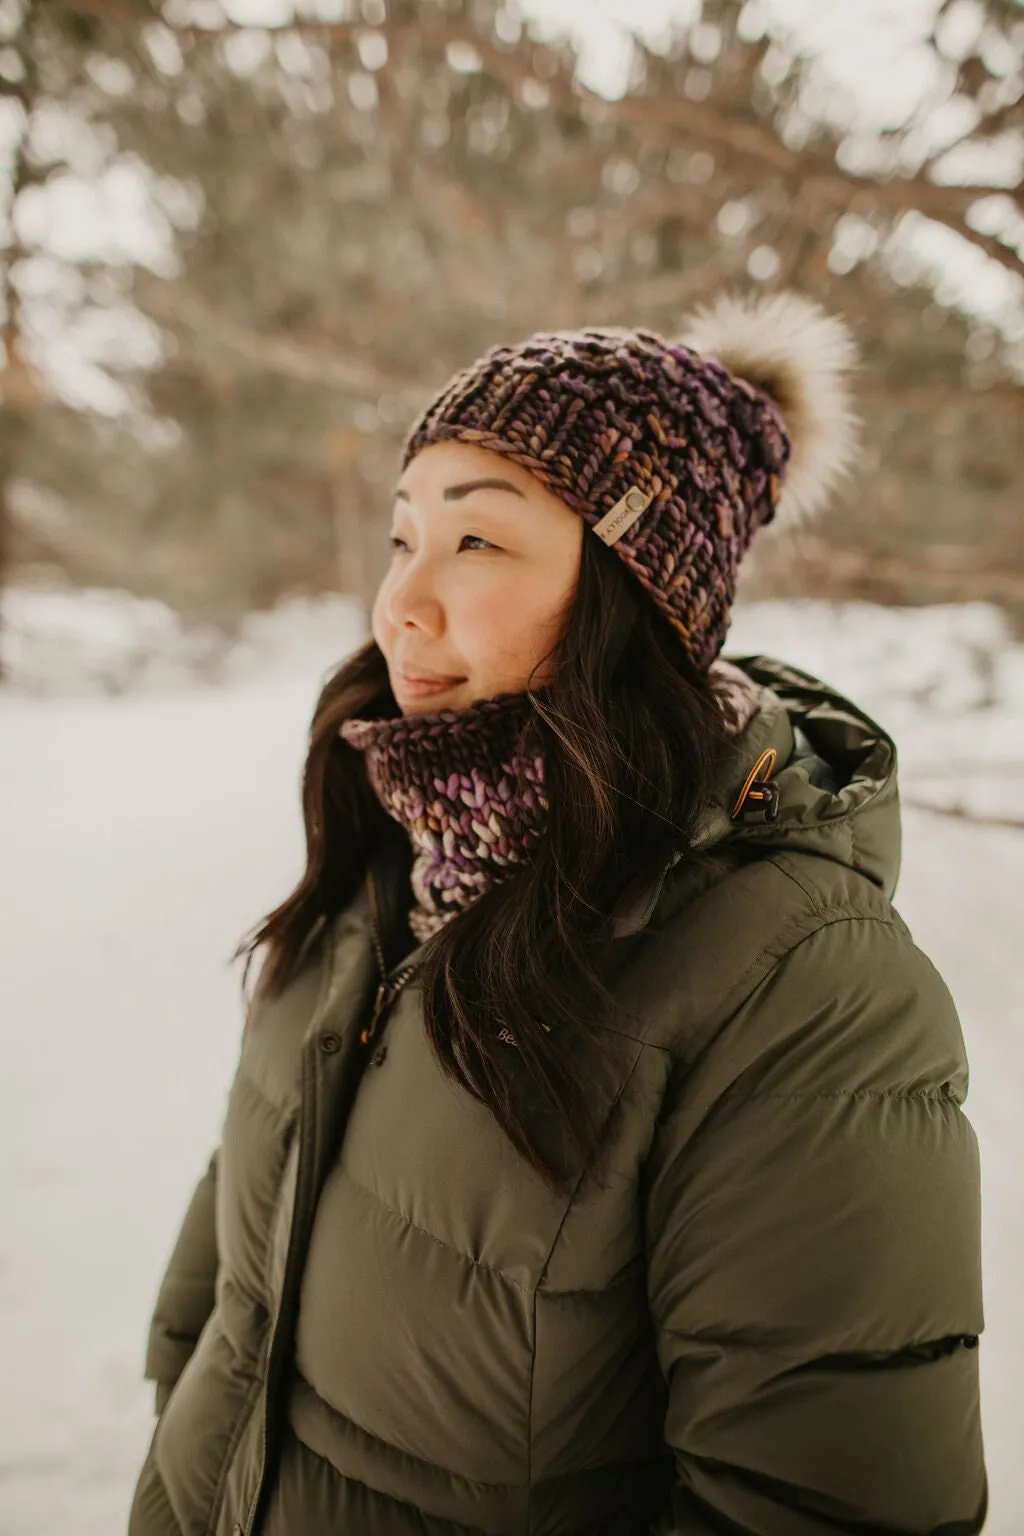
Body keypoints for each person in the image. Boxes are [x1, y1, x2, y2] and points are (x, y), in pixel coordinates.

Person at [127, 292, 987, 1536]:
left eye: (477, 543)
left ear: (637, 593)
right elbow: (227, 1281)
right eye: (400, 536)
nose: (402, 605)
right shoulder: (387, 851)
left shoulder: (800, 988)